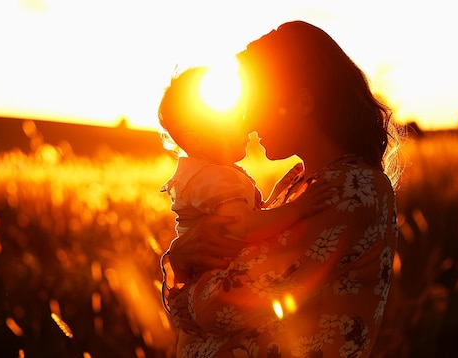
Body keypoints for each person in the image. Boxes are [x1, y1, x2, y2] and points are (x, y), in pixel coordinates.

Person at [161, 20, 403, 357]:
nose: (247, 121)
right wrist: (182, 259)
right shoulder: (296, 182)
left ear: (302, 103)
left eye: (255, 103)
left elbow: (224, 304)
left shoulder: (353, 190)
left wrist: (177, 274)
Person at [157, 66, 334, 315]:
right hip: (216, 287)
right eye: (231, 123)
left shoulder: (204, 175)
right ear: (195, 139)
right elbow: (245, 226)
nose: (247, 128)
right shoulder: (215, 177)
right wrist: (297, 208)